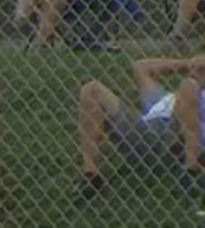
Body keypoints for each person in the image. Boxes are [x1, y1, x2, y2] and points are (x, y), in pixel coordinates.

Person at [76, 56, 205, 199]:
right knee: (91, 90)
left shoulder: (191, 91)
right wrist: (189, 64)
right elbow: (142, 67)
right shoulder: (169, 97)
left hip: (175, 141)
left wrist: (193, 82)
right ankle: (91, 177)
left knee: (189, 87)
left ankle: (192, 171)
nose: (197, 73)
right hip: (148, 128)